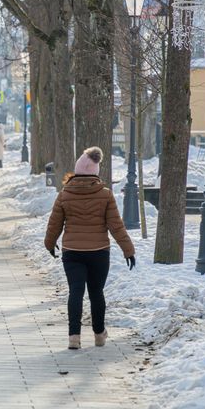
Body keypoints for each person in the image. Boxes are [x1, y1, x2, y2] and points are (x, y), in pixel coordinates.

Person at [44, 147, 136, 350]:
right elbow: (116, 225)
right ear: (96, 171)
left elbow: (54, 224)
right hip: (99, 251)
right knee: (96, 292)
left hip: (72, 251)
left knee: (75, 291)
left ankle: (74, 337)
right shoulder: (105, 195)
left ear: (77, 171)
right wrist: (128, 250)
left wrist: (50, 244)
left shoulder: (64, 194)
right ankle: (99, 334)